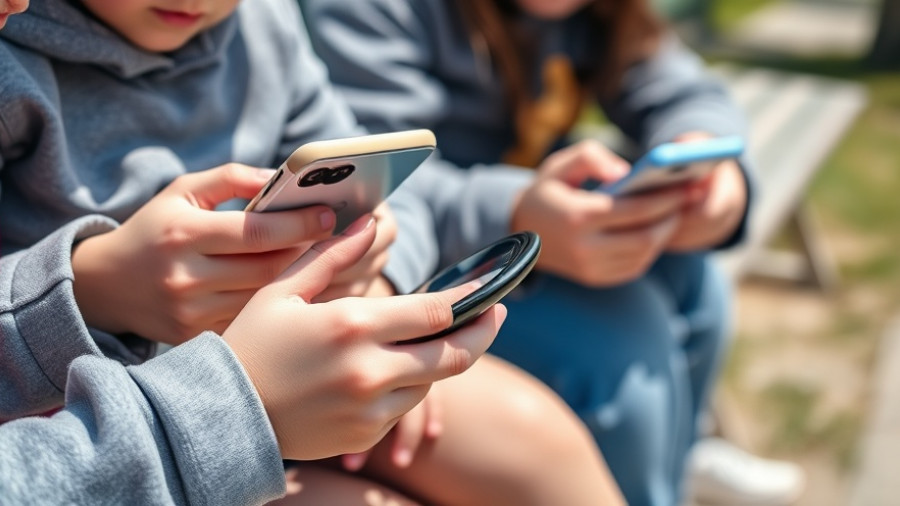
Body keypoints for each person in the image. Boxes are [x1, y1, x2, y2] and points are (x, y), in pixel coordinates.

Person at [0, 0, 624, 504]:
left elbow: (385, 181)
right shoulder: (14, 64)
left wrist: (376, 286)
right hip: (98, 417)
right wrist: (93, 286)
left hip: (301, 363)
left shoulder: (263, 26)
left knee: (536, 439)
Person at [304, 0, 802, 504]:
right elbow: (376, 169)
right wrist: (516, 211)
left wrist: (709, 163)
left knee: (697, 284)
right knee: (620, 352)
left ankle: (676, 462)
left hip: (529, 230)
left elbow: (681, 87)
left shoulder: (604, 16)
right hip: (425, 265)